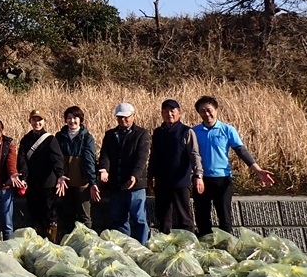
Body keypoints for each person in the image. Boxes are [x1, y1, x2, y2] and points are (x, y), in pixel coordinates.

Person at [192, 95, 274, 235]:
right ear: (198, 113)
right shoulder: (194, 131)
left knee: (225, 217)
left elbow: (241, 151)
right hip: (201, 180)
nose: (206, 114)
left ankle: (226, 249)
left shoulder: (227, 130)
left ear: (216, 110)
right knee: (202, 217)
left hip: (222, 179)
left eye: (209, 110)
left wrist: (258, 170)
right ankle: (205, 248)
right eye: (202, 111)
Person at [147, 99, 205, 234]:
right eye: (165, 111)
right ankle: (165, 244)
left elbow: (194, 154)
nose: (169, 114)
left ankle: (189, 243)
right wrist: (150, 176)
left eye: (172, 111)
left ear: (179, 113)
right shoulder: (158, 133)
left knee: (185, 217)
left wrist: (198, 175)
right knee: (163, 217)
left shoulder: (186, 131)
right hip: (162, 181)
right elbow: (153, 156)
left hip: (181, 181)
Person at [98, 102, 151, 244]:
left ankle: (142, 246)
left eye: (126, 117)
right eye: (120, 118)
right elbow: (105, 155)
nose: (123, 120)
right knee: (119, 218)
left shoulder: (142, 134)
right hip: (116, 183)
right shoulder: (110, 135)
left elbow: (142, 157)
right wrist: (104, 169)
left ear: (133, 116)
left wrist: (134, 175)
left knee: (139, 218)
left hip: (135, 184)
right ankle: (125, 246)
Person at [18, 110, 68, 242]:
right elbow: (22, 160)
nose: (37, 123)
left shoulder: (51, 139)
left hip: (48, 183)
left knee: (50, 216)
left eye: (40, 120)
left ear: (44, 121)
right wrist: (24, 178)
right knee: (35, 215)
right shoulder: (26, 140)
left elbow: (57, 159)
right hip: (33, 184)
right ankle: (37, 243)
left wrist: (60, 175)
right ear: (30, 121)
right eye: (34, 120)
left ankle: (51, 243)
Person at [55, 106, 100, 237]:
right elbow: (56, 159)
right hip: (65, 183)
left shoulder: (87, 138)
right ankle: (67, 242)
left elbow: (89, 160)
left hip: (82, 183)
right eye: (69, 118)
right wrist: (59, 176)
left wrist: (92, 182)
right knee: (66, 215)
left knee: (84, 216)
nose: (72, 121)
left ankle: (87, 242)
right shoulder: (60, 136)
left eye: (75, 118)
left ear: (80, 119)